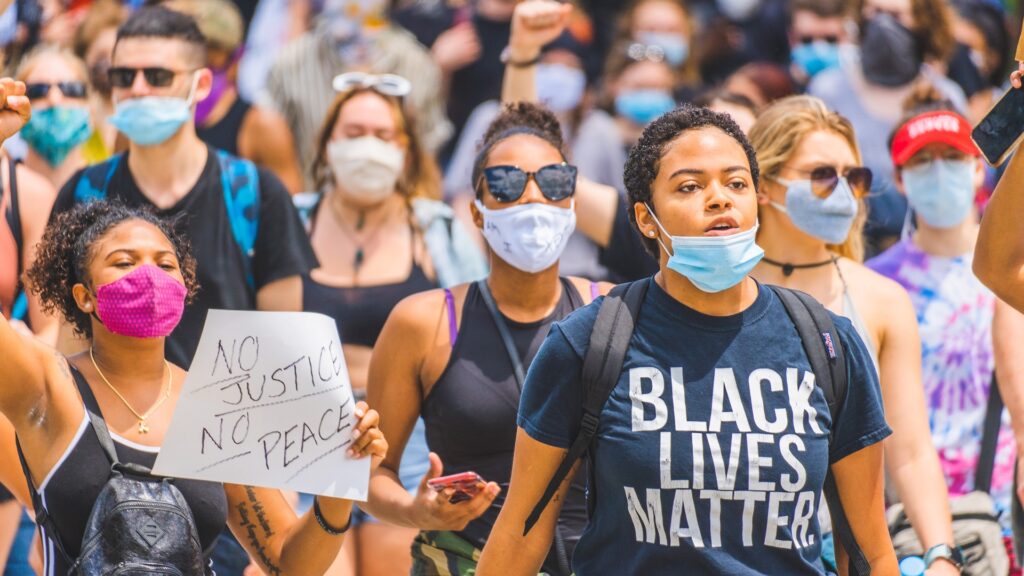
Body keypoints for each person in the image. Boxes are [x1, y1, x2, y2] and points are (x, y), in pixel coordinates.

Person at [474, 104, 897, 575]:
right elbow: (520, 535)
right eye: (689, 186)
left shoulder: (828, 343)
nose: (719, 199)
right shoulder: (587, 343)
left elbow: (870, 551)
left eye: (736, 184)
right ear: (646, 218)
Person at [0, 196, 384, 575]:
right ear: (84, 297)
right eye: (124, 262)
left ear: (184, 288)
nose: (150, 275)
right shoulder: (50, 387)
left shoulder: (220, 402)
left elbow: (286, 562)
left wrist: (339, 487)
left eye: (165, 264)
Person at [364, 101, 609, 575]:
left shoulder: (613, 310)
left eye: (555, 180)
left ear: (573, 200)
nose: (533, 198)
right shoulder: (424, 321)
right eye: (506, 183)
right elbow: (375, 474)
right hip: (461, 561)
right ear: (477, 213)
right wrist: (418, 511)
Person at [747, 95, 960, 573]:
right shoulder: (721, 290)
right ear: (763, 185)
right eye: (822, 176)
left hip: (846, 553)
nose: (842, 191)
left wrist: (942, 554)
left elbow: (909, 450)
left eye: (854, 177)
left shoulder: (880, 299)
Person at [49, 6, 317, 367]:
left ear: (201, 85)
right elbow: (69, 341)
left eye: (158, 76)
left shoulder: (256, 194)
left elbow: (286, 349)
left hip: (229, 417)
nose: (138, 90)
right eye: (123, 76)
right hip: (112, 417)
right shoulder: (83, 192)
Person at [299, 73, 486, 576]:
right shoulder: (290, 222)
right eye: (354, 131)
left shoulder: (439, 230)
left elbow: (479, 324)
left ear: (406, 150)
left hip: (409, 437)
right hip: (302, 435)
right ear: (327, 143)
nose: (367, 146)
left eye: (384, 136)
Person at [869, 107, 1024, 540]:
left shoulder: (1011, 273)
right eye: (922, 161)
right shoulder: (874, 282)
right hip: (909, 520)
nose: (939, 171)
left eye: (952, 157)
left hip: (1006, 512)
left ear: (979, 169)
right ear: (900, 180)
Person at [808, 0, 967, 255]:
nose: (883, 23)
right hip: (847, 247)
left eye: (895, 15)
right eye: (876, 12)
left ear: (923, 23)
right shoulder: (827, 90)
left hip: (923, 251)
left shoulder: (946, 95)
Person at [262, 0, 449, 189]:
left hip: (396, 209)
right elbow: (272, 162)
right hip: (312, 207)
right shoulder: (290, 65)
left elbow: (427, 162)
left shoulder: (417, 65)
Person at [163, 0, 305, 195]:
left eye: (211, 63)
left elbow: (289, 211)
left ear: (234, 61)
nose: (199, 76)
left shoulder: (261, 127)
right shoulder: (157, 121)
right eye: (190, 61)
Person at [14, 45, 95, 190]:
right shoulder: (4, 184)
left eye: (70, 89)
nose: (55, 100)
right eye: (39, 91)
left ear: (90, 105)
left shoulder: (108, 186)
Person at [612, 0, 703, 100]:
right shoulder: (612, 94)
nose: (662, 37)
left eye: (671, 30)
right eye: (651, 29)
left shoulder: (700, 96)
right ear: (629, 32)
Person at [71, 0, 125, 160]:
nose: (110, 64)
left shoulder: (137, 113)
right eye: (101, 55)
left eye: (116, 55)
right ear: (84, 57)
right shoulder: (73, 118)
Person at [787, 0, 847, 88]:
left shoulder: (862, 86)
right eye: (807, 40)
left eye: (830, 39)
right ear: (791, 37)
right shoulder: (773, 86)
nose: (819, 49)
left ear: (844, 36)